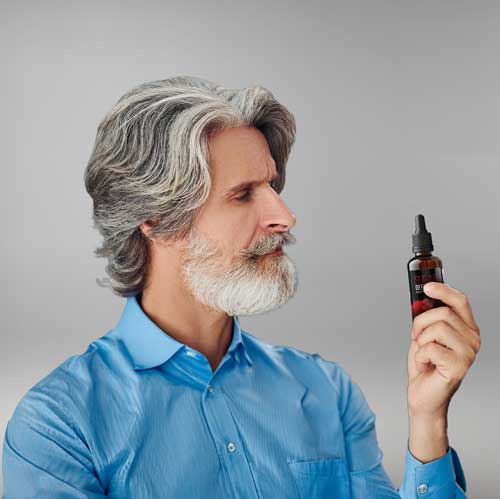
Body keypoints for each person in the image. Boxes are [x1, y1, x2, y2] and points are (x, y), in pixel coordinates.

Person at [2, 76, 478, 498]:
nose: (284, 217)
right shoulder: (59, 426)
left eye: (273, 186)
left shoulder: (325, 390)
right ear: (155, 220)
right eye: (243, 194)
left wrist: (428, 419)